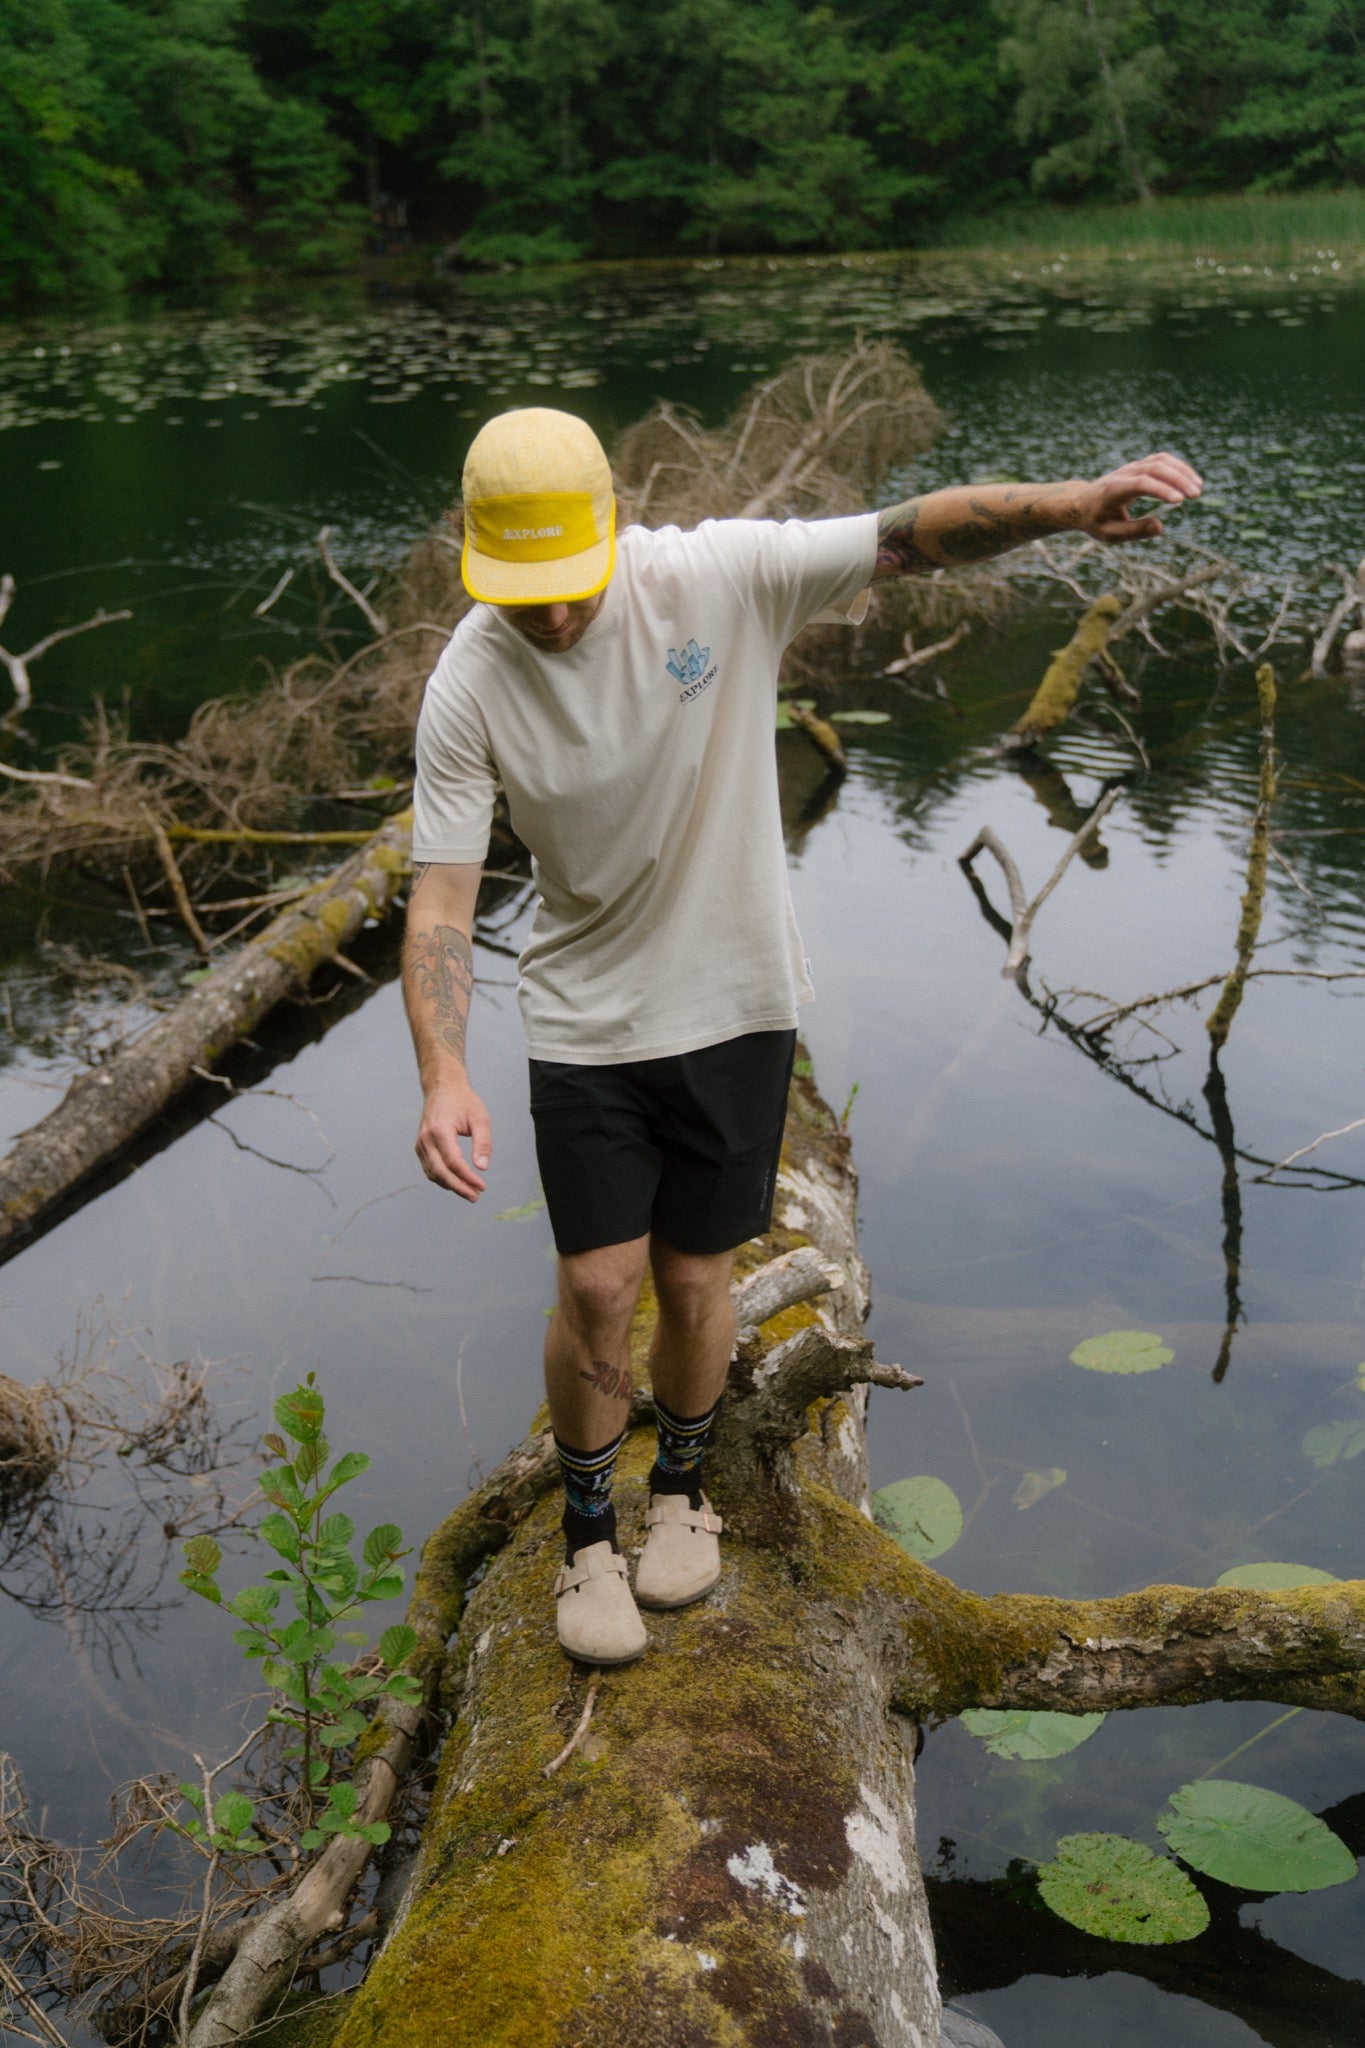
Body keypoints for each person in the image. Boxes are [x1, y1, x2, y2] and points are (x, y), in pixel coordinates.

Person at [403, 405, 1201, 1665]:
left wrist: (1066, 504)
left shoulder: (713, 578)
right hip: (583, 1016)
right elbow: (444, 898)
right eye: (523, 595)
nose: (553, 617)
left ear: (611, 531)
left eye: (569, 586)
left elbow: (908, 536)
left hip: (734, 1001)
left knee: (693, 1278)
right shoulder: (469, 680)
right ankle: (584, 1535)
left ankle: (683, 1491)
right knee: (600, 1285)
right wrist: (442, 1070)